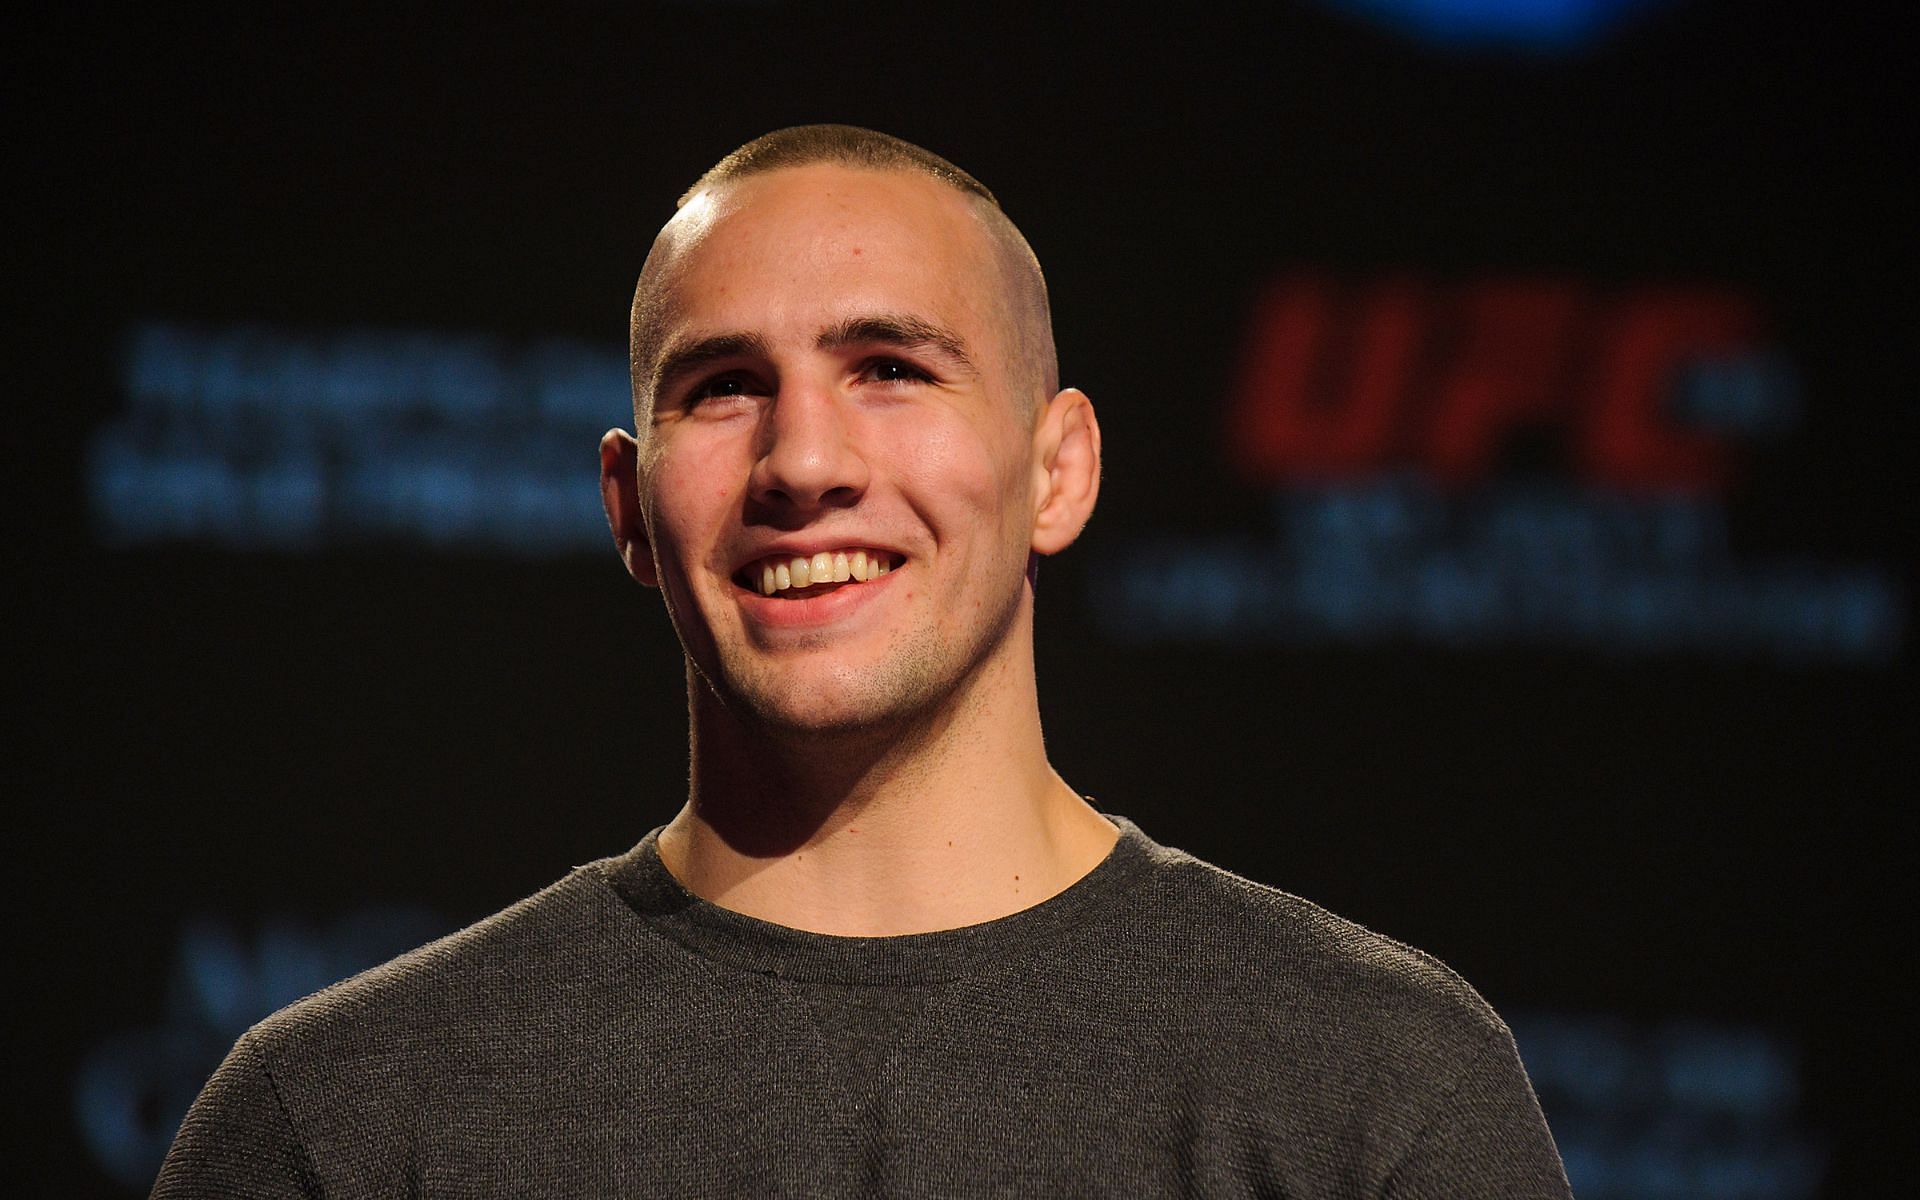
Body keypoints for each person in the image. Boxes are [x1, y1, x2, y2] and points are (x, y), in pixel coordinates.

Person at [155, 125, 1572, 1197]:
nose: (806, 462)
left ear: (1057, 470)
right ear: (629, 513)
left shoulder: (1373, 1091)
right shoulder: (341, 1123)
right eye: (724, 389)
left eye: (889, 366)